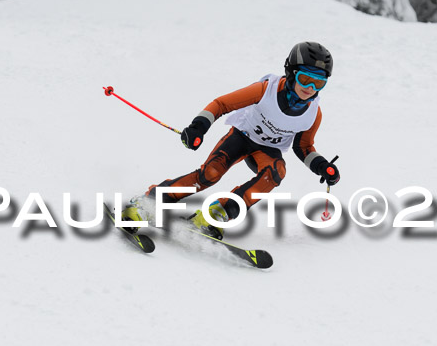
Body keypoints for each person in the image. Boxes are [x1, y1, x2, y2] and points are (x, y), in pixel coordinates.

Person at [123, 41, 341, 239]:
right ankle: (148, 202)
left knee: (275, 173)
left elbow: (303, 146)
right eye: (305, 79)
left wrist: (322, 166)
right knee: (210, 174)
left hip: (266, 151)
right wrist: (199, 127)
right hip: (241, 137)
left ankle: (217, 213)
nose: (310, 88)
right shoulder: (266, 90)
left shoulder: (313, 113)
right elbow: (221, 104)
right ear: (292, 73)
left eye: (318, 83)